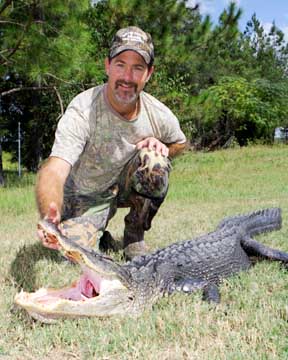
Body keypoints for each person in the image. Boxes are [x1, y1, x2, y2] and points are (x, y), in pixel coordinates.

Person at [36, 26, 186, 260]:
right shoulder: (83, 110)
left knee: (155, 160)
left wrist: (161, 145)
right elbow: (54, 168)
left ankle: (134, 238)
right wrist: (49, 214)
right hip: (86, 198)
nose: (127, 77)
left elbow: (180, 143)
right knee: (75, 255)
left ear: (149, 73)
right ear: (107, 66)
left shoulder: (158, 113)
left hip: (122, 188)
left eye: (137, 68)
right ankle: (95, 233)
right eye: (120, 65)